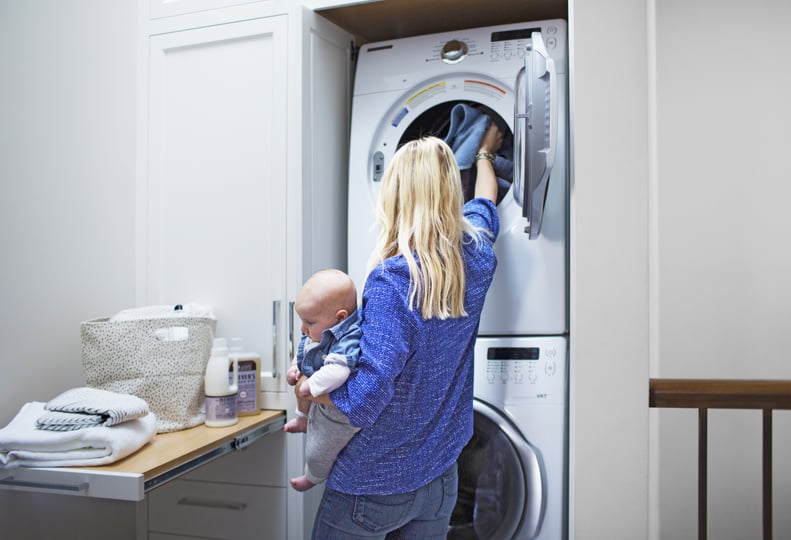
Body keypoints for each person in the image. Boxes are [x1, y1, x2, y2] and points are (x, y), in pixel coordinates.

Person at [300, 122, 503, 538]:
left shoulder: (393, 281)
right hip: (441, 477)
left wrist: (310, 386)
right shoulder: (479, 255)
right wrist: (485, 153)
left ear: (394, 196)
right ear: (451, 193)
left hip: (372, 485)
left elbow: (366, 397)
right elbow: (486, 201)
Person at [283, 268, 362, 492]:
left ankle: (313, 475)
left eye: (309, 322)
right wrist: (294, 367)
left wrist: (312, 385)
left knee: (318, 450)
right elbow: (306, 352)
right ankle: (302, 418)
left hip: (338, 414)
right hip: (316, 398)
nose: (302, 328)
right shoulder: (318, 329)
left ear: (340, 318)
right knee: (300, 384)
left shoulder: (349, 338)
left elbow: (339, 370)